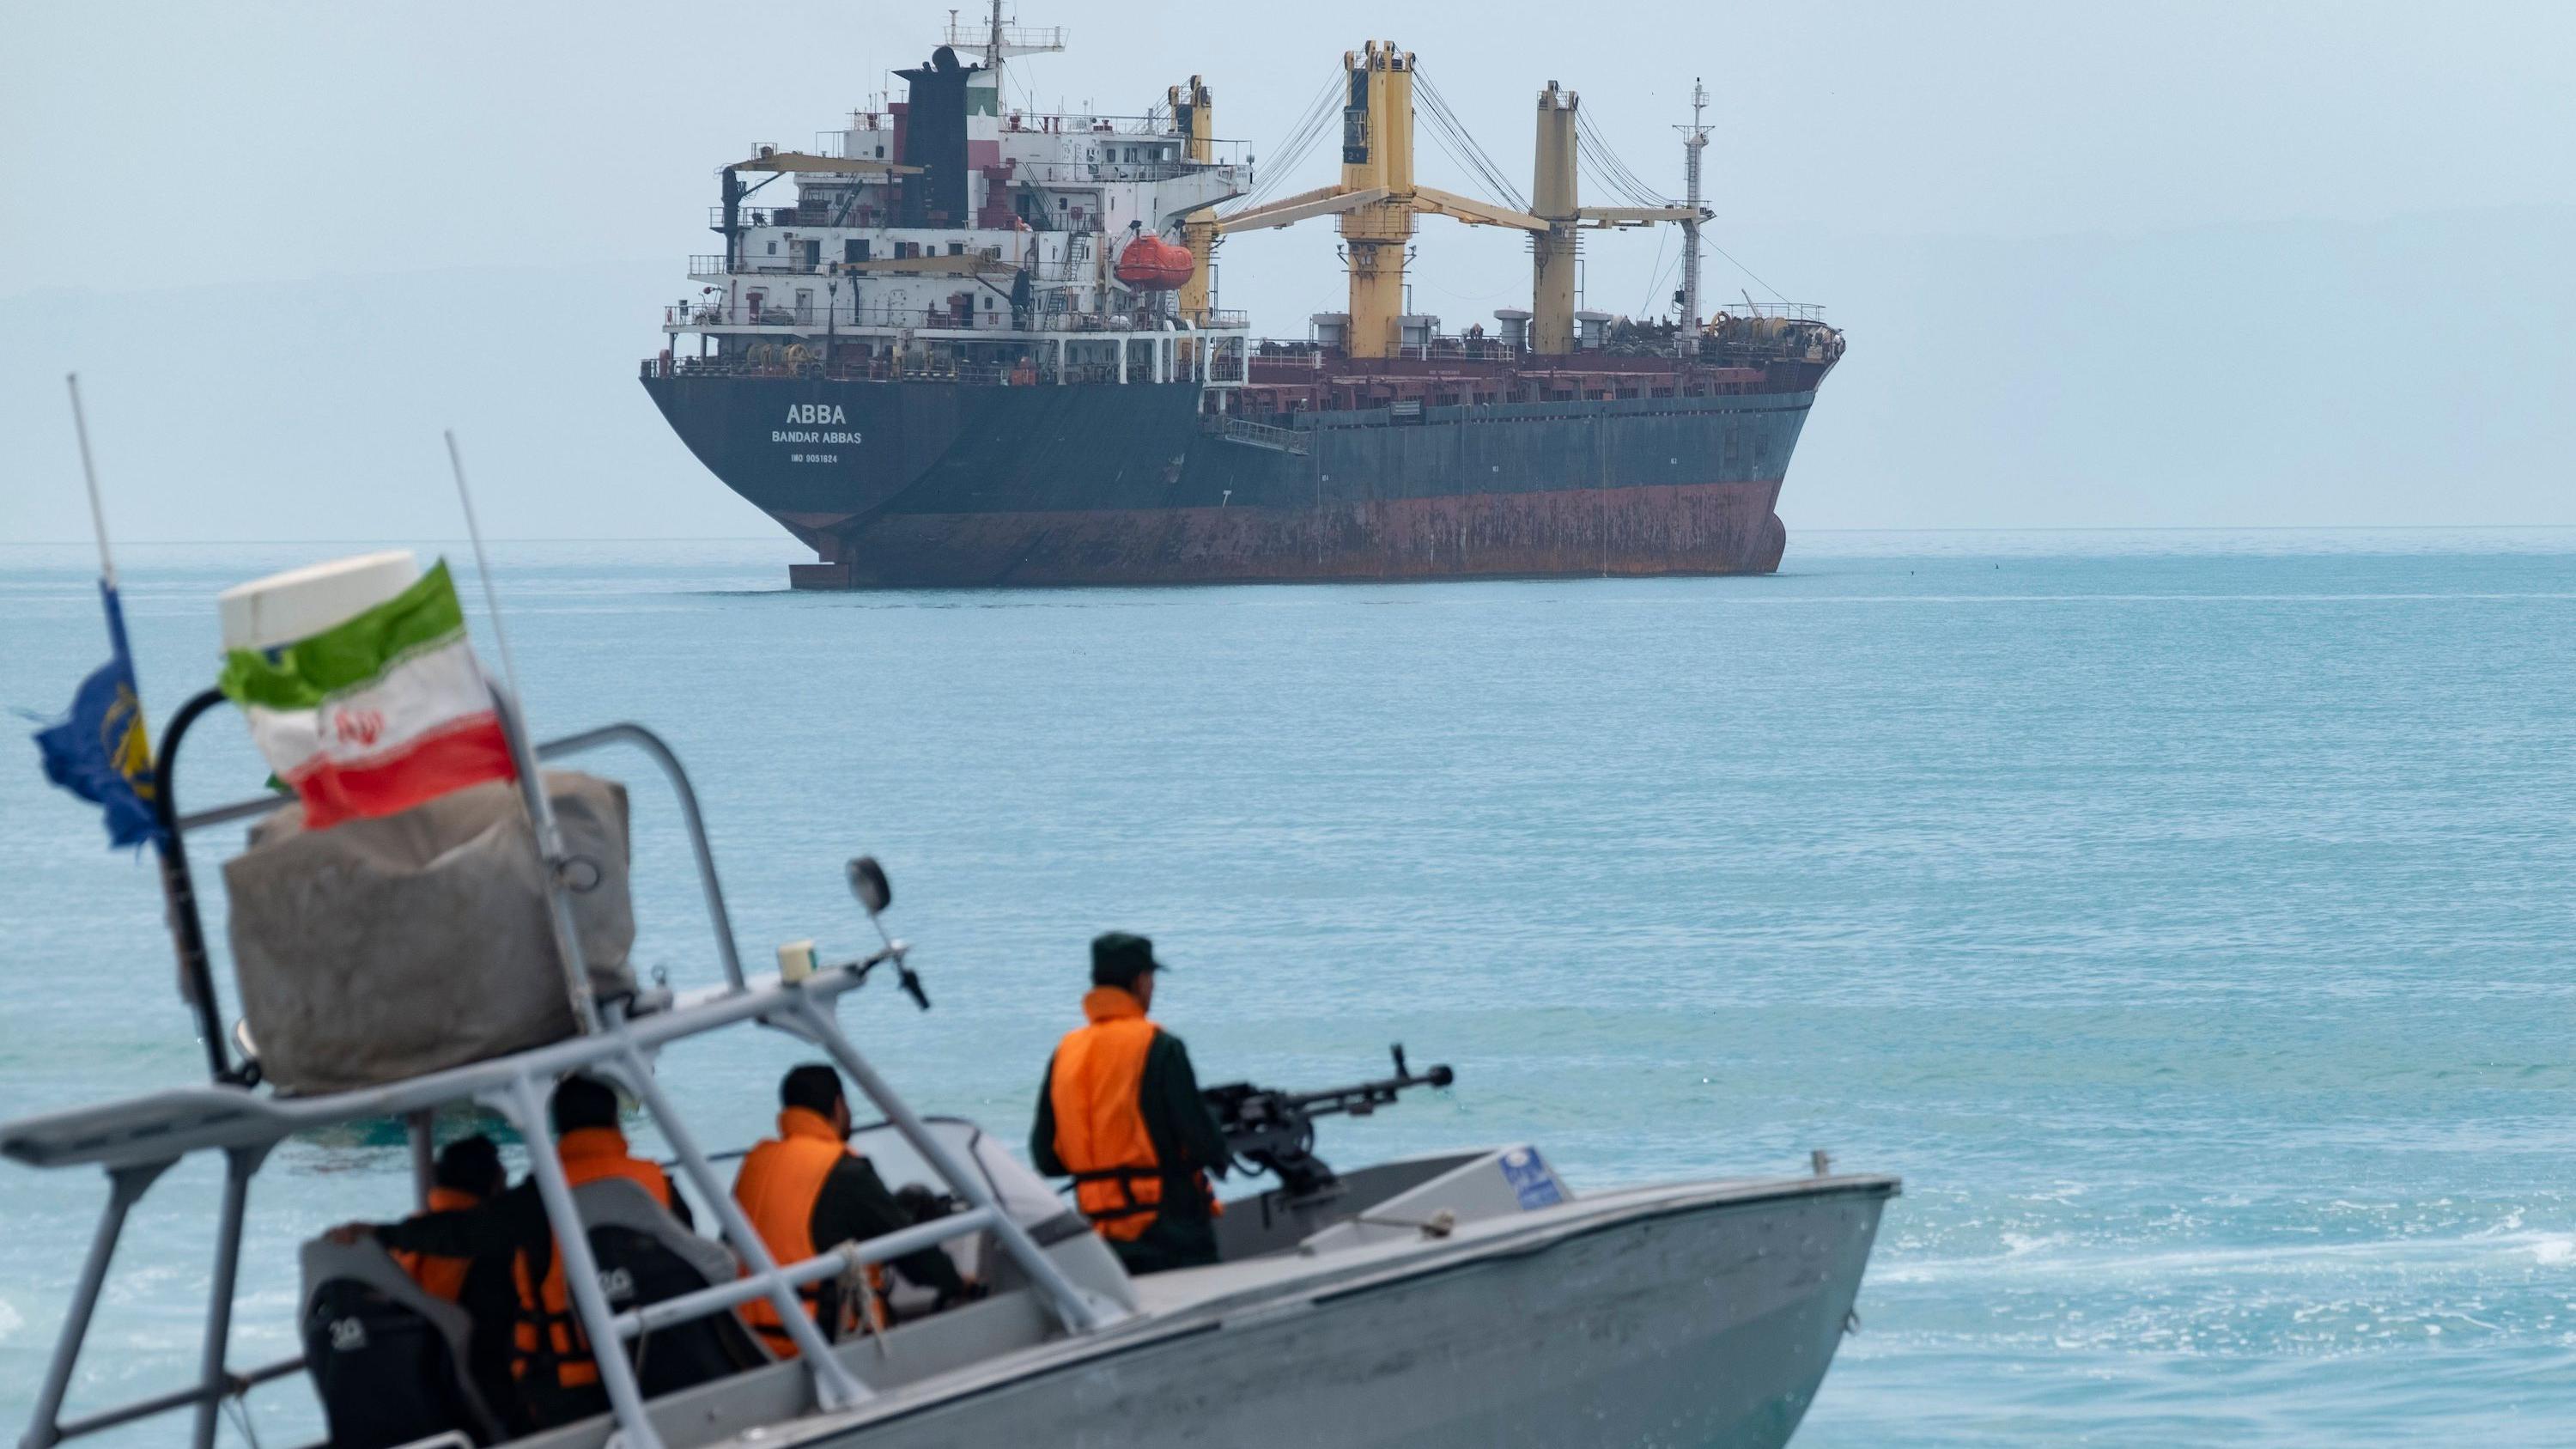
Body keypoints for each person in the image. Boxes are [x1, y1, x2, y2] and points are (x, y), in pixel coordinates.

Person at [358, 1075, 691, 1429]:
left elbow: (462, 1234)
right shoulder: (660, 1185)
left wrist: (383, 1234)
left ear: (559, 1129)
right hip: (665, 1357)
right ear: (614, 1122)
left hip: (566, 1383)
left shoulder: (536, 1199)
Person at [731, 1064, 971, 1356]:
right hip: (818, 1341)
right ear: (839, 1106)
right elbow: (916, 1259)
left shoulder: (755, 1164)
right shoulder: (842, 1171)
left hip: (750, 1340)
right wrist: (960, 1283)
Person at [1030, 932, 1232, 1274]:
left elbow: (1046, 1158)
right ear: (1141, 981)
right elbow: (1203, 1143)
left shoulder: (1066, 1052)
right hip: (1171, 1233)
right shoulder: (1160, 1046)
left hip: (1100, 1238)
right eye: (1151, 979)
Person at [389, 1135, 519, 1430]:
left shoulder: (404, 1241)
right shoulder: (496, 1249)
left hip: (415, 1393)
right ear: (496, 1183)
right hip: (479, 1402)